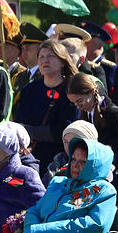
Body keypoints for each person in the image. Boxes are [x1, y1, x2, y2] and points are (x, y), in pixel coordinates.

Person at [14, 38, 79, 174]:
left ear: (62, 61)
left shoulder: (71, 90)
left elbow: (66, 129)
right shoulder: (29, 89)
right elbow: (19, 123)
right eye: (41, 57)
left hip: (58, 160)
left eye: (51, 56)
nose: (45, 60)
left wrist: (31, 131)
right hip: (28, 157)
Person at [66, 72, 118, 155]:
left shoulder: (114, 114)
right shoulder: (86, 114)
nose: (78, 107)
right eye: (74, 103)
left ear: (93, 92)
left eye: (80, 101)